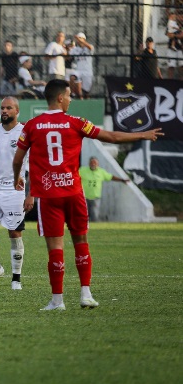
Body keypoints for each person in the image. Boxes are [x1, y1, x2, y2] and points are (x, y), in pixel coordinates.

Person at [12, 79, 163, 311]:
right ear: (60, 97)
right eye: (70, 95)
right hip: (73, 192)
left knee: (55, 248)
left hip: (49, 196)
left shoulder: (31, 125)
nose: (72, 99)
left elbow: (18, 160)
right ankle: (85, 294)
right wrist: (143, 135)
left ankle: (57, 301)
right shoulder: (76, 123)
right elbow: (111, 137)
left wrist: (17, 179)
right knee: (81, 242)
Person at [0, 97, 33, 290]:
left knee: (15, 232)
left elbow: (35, 165)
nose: (4, 111)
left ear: (17, 111)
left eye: (8, 108)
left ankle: (16, 279)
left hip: (15, 190)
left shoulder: (25, 132)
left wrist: (31, 194)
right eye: (2, 108)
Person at [79, 156, 129, 222]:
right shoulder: (82, 170)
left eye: (95, 163)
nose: (93, 164)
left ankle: (95, 228)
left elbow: (111, 177)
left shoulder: (101, 172)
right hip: (84, 197)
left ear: (98, 164)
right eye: (92, 162)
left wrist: (122, 180)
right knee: (84, 214)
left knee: (94, 214)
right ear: (89, 163)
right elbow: (74, 176)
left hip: (95, 197)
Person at [70, 32, 95, 98]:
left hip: (87, 71)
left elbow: (90, 47)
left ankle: (87, 101)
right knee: (72, 77)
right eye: (78, 39)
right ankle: (72, 94)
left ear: (84, 39)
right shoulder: (75, 49)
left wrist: (79, 39)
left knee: (86, 92)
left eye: (80, 38)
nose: (79, 40)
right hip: (79, 70)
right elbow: (69, 56)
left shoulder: (89, 47)